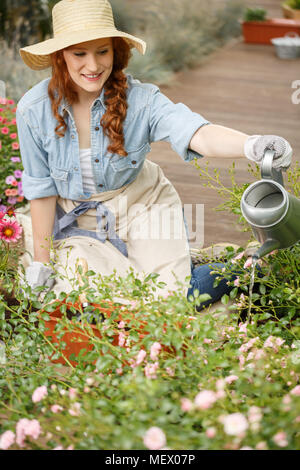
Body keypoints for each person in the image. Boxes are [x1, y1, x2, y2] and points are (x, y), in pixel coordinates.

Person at [16, 0, 292, 309]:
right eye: (79, 53)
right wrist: (41, 262)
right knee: (94, 299)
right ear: (60, 55)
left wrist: (252, 145)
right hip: (79, 219)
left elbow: (196, 132)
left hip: (144, 205)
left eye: (102, 51)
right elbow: (41, 190)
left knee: (170, 301)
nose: (92, 66)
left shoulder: (142, 100)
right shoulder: (33, 110)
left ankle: (236, 271)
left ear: (115, 51)